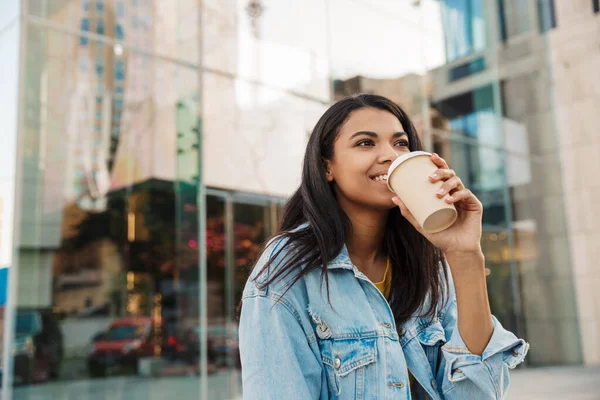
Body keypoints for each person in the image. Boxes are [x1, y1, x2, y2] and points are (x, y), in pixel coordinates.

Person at [238, 94, 528, 399]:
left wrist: (465, 254)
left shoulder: (427, 262)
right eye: (366, 143)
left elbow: (476, 394)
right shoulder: (289, 268)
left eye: (401, 144)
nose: (391, 156)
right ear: (327, 168)